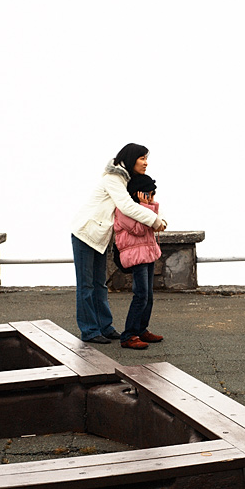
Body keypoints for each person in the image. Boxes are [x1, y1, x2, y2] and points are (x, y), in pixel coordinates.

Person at [71, 143, 166, 344]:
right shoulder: (114, 178)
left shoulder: (128, 179)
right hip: (85, 233)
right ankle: (89, 330)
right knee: (86, 286)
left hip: (100, 236)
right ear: (131, 158)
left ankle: (105, 327)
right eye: (142, 158)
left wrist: (159, 217)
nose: (146, 163)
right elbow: (126, 206)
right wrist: (155, 221)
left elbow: (142, 200)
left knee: (100, 284)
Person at [114, 169, 166, 350]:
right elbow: (140, 230)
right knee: (140, 295)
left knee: (148, 296)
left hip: (147, 254)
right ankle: (128, 335)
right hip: (136, 257)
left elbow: (153, 223)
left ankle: (141, 329)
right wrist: (147, 207)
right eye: (149, 193)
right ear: (138, 193)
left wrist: (150, 207)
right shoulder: (125, 210)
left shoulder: (141, 209)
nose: (151, 197)